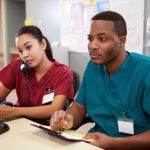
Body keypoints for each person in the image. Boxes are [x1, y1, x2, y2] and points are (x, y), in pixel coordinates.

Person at [50, 11, 150, 149]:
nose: (93, 46)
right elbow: (79, 107)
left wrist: (114, 144)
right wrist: (68, 119)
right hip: (95, 144)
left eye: (102, 39)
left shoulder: (145, 71)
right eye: (90, 39)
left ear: (121, 41)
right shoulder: (93, 67)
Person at [0, 25, 74, 121]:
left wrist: (14, 111)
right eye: (20, 51)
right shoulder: (18, 66)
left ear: (43, 44)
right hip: (18, 123)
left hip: (46, 128)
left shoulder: (64, 73)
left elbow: (54, 109)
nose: (24, 55)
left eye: (28, 47)